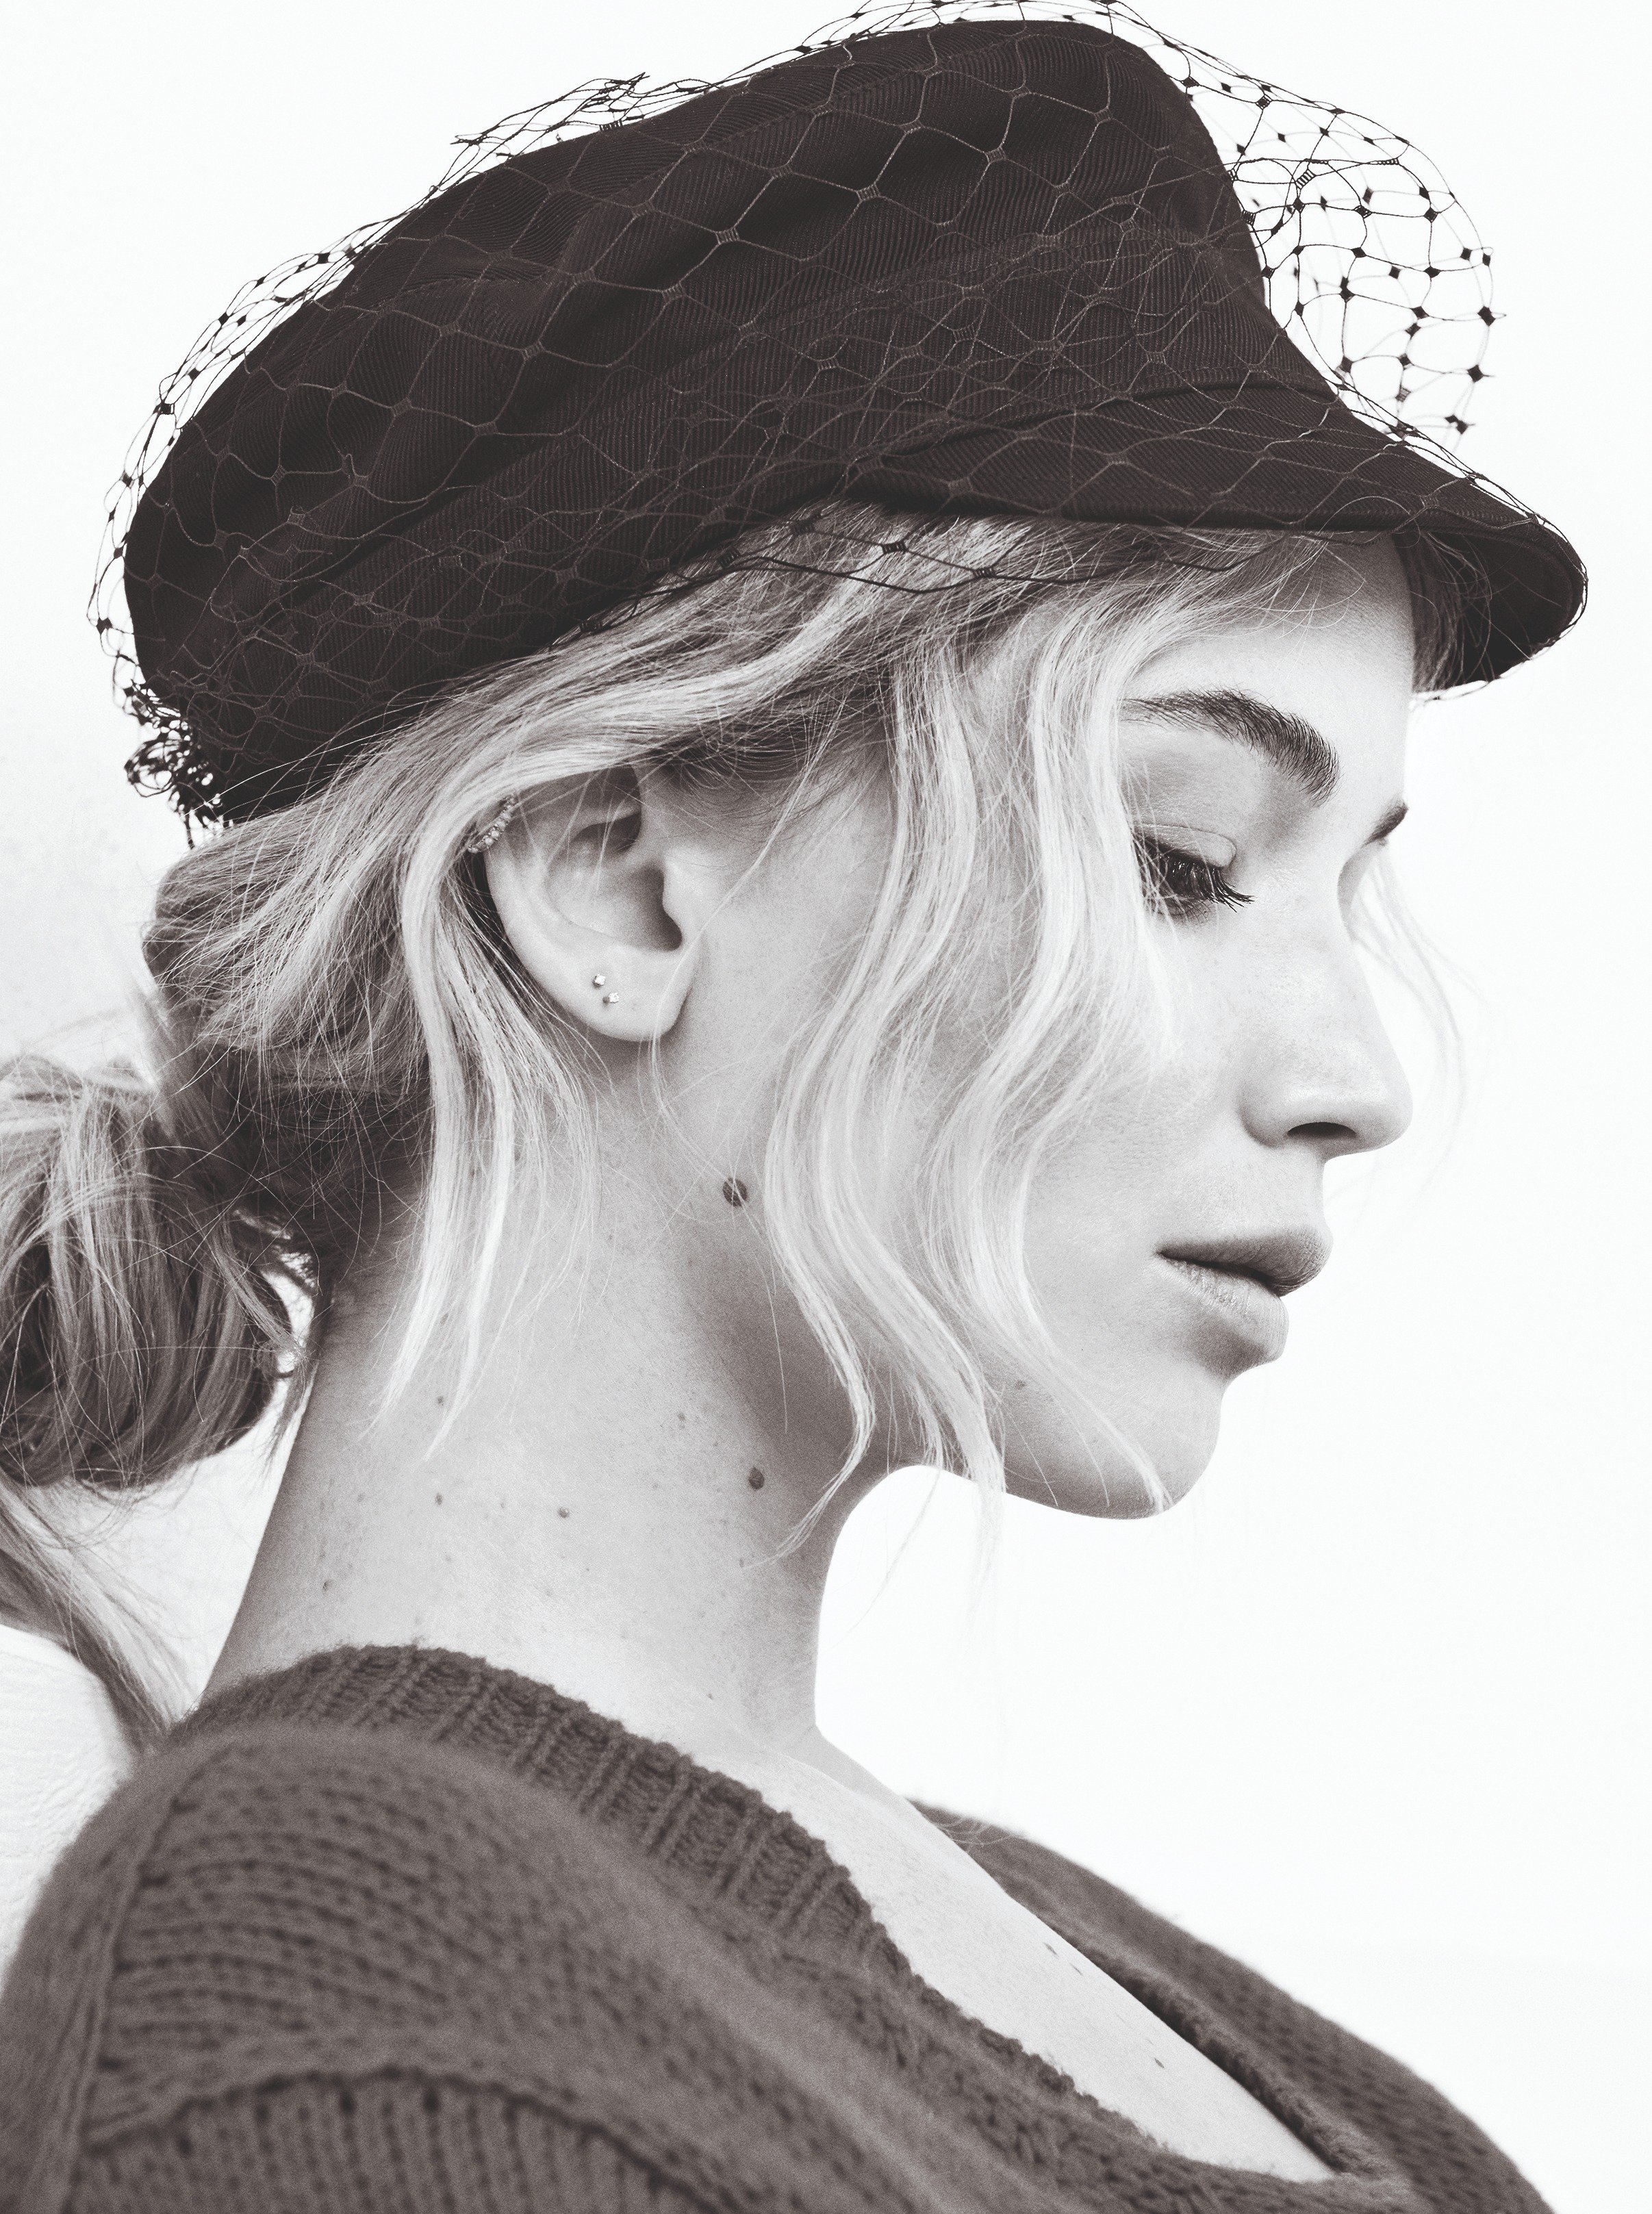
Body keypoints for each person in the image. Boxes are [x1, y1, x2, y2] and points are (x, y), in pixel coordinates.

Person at [0, 6, 1584, 2207]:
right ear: (614, 882)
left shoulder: (1163, 2011)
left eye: (1354, 885)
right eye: (1181, 859)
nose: (1359, 1080)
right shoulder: (336, 2047)